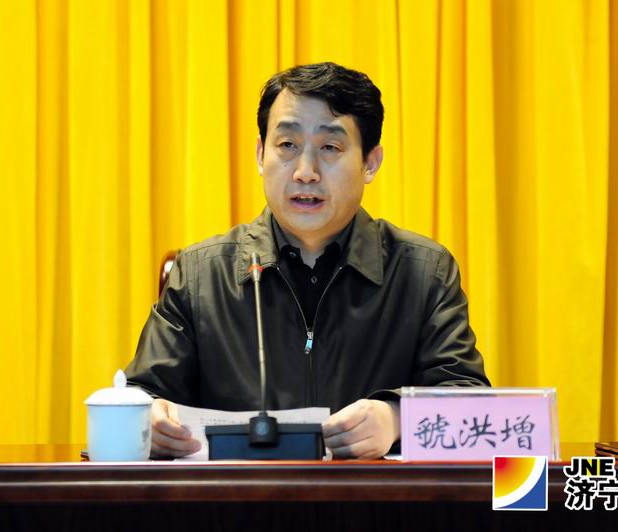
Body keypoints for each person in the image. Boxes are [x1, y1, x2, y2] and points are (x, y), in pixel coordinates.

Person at [125, 62, 489, 459]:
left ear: (370, 162)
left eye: (330, 148)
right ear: (261, 154)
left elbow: (470, 403)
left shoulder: (423, 272)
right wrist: (148, 420)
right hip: (240, 495)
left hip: (373, 495)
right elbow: (142, 395)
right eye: (287, 145)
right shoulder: (200, 274)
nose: (305, 172)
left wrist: (397, 418)